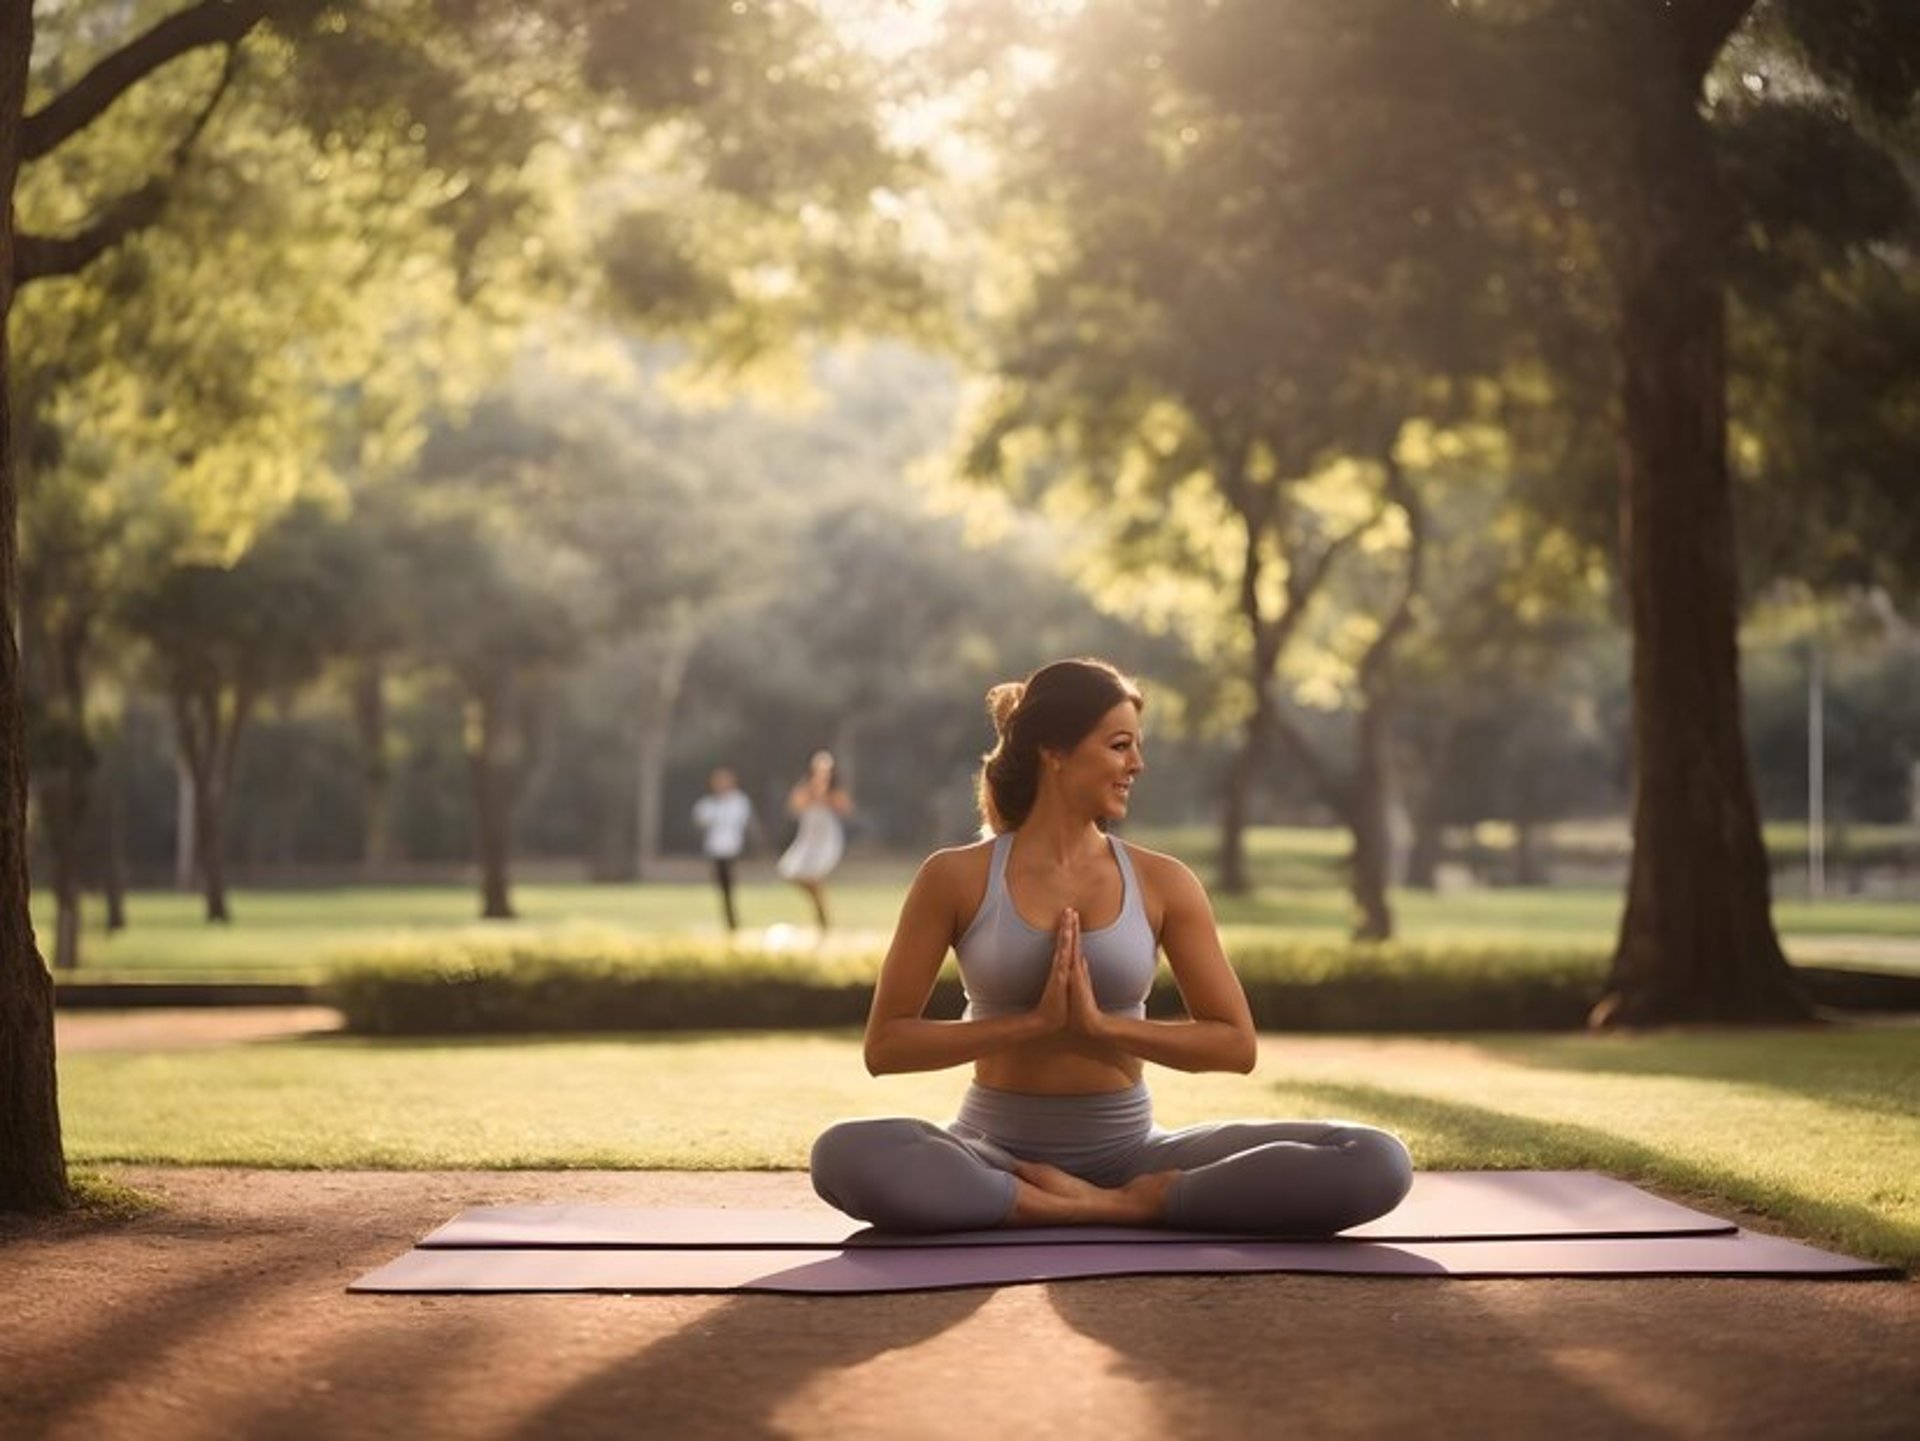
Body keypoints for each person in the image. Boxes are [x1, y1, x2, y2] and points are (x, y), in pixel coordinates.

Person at [809, 657, 1413, 1234]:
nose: (1138, 764)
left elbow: (1235, 1043)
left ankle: (1128, 1204)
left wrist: (1101, 1026)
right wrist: (1032, 1023)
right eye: (1120, 745)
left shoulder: (1163, 882)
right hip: (989, 1154)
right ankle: (1038, 1203)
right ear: (1054, 753)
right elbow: (886, 1045)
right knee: (842, 1153)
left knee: (1374, 1158)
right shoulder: (954, 877)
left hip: (1133, 1153)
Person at [777, 750, 851, 934]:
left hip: (826, 838)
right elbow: (794, 807)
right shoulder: (805, 788)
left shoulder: (835, 791)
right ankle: (820, 911)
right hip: (808, 837)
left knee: (815, 876)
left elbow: (845, 809)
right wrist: (812, 792)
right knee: (790, 871)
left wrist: (826, 796)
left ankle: (823, 921)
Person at [692, 767, 755, 933]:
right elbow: (700, 819)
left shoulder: (739, 801)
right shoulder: (710, 803)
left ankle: (733, 921)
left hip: (732, 848)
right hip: (716, 849)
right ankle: (729, 920)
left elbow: (741, 822)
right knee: (722, 886)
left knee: (730, 885)